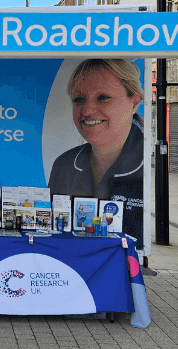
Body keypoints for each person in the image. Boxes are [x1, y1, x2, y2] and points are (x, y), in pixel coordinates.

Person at [48, 59, 145, 243]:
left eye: (103, 97)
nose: (87, 110)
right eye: (79, 99)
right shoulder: (64, 164)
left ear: (134, 103)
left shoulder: (149, 165)